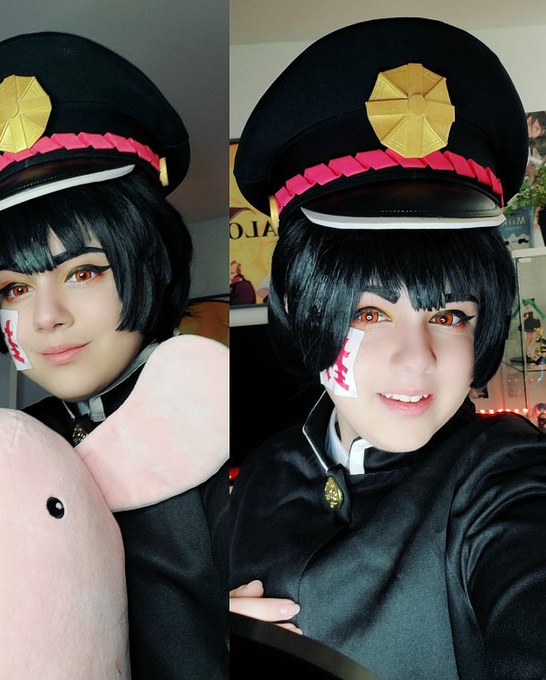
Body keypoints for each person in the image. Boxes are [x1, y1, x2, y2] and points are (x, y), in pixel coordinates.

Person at [229, 17, 546, 679]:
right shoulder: (257, 477)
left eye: (450, 315)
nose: (416, 358)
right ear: (302, 310)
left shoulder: (504, 479)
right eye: (369, 312)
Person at [0, 32, 228, 680]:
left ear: (149, 259)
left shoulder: (225, 427)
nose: (46, 317)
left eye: (85, 272)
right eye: (14, 288)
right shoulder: (4, 453)